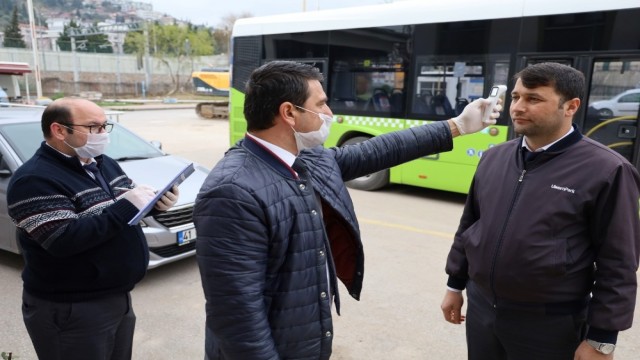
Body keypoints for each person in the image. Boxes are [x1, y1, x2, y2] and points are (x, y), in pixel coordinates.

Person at [194, 60, 501, 359]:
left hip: (302, 337)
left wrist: (457, 126)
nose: (330, 114)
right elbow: (236, 315)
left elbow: (380, 149)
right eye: (321, 104)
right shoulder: (232, 191)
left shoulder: (307, 159)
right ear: (289, 112)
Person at [441, 62, 640, 360]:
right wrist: (454, 284)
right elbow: (470, 225)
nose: (518, 107)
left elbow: (619, 261)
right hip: (482, 310)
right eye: (516, 97)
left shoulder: (608, 170)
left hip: (550, 323)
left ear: (570, 106)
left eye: (533, 99)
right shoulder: (494, 157)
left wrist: (602, 339)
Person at [7, 97, 180, 360]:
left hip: (115, 297)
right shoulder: (34, 179)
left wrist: (154, 205)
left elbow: (119, 211)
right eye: (93, 127)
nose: (102, 134)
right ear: (59, 130)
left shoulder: (102, 162)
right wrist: (126, 206)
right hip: (72, 307)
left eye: (104, 126)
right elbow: (63, 239)